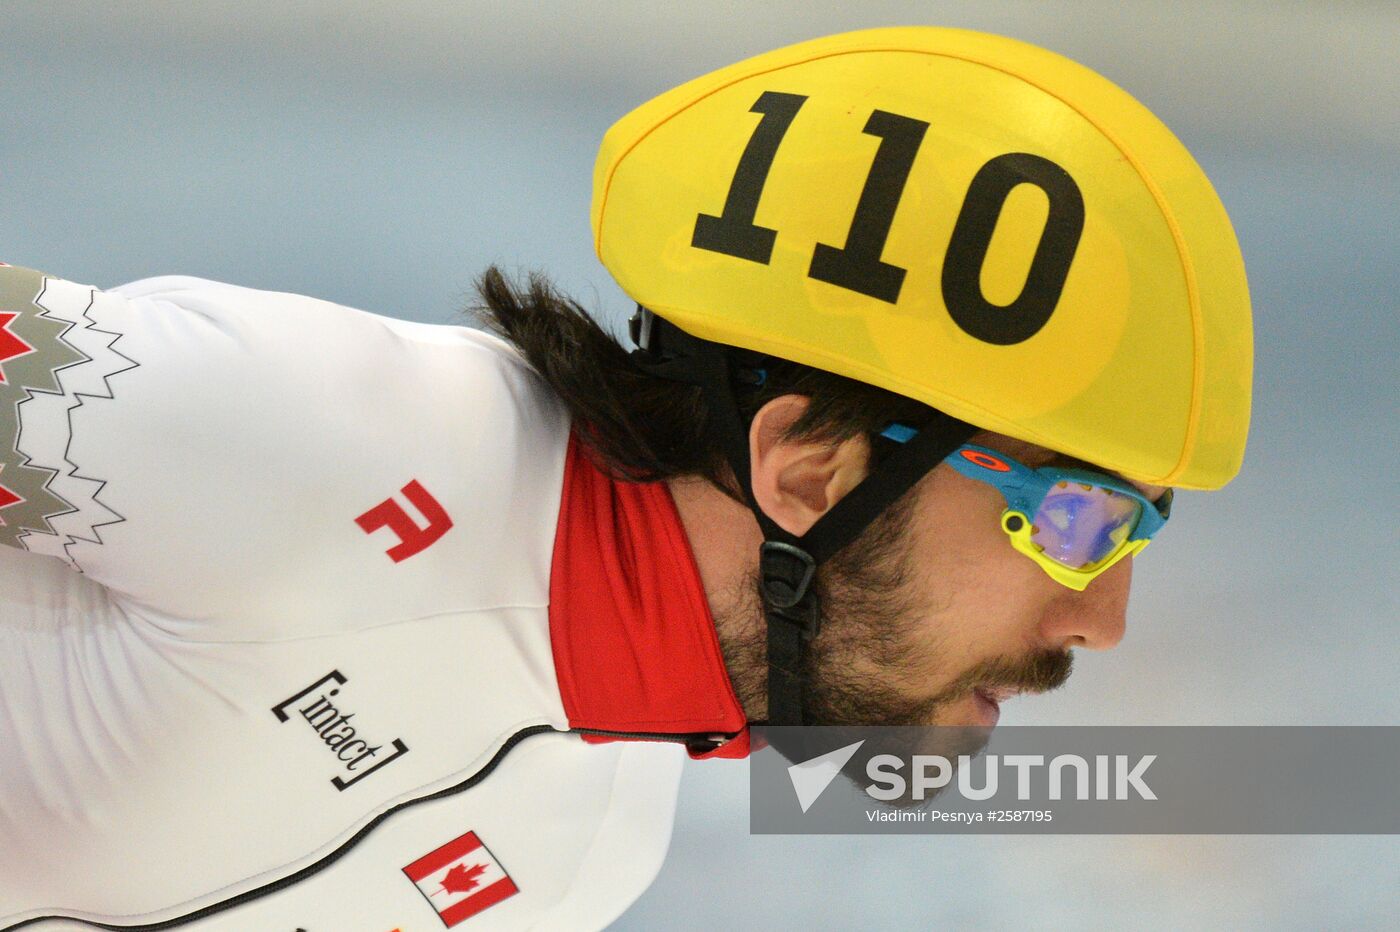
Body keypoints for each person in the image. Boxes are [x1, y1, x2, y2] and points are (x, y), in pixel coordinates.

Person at [0, 25, 1250, 931]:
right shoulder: (314, 432)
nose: (1102, 619)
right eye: (1076, 518)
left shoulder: (584, 852)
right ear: (810, 470)